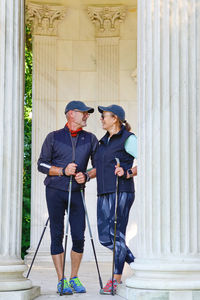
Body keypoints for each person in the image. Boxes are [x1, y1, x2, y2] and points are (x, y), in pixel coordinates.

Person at [38, 101, 98, 295]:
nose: (87, 115)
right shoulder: (54, 137)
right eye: (84, 113)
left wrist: (87, 175)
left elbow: (97, 166)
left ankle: (74, 277)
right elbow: (41, 165)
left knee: (79, 236)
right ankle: (61, 280)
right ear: (71, 114)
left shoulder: (90, 139)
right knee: (57, 234)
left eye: (88, 113)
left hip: (77, 191)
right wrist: (62, 171)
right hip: (55, 190)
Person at [95, 104, 137, 295]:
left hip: (122, 191)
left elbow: (150, 159)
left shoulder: (129, 139)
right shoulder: (102, 142)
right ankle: (137, 263)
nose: (101, 119)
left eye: (104, 116)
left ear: (116, 119)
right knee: (105, 237)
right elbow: (99, 168)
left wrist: (128, 172)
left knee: (117, 234)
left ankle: (115, 278)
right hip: (103, 192)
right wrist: (85, 176)